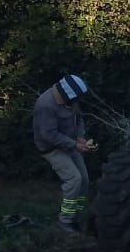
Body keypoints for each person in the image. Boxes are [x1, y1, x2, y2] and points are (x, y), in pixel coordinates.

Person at [33, 75, 94, 233]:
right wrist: (74, 144)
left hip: (70, 145)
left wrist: (80, 136)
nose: (77, 102)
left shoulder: (71, 99)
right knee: (74, 179)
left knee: (84, 180)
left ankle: (76, 216)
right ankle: (65, 221)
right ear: (67, 95)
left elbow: (79, 118)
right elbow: (49, 135)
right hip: (52, 148)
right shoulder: (45, 105)